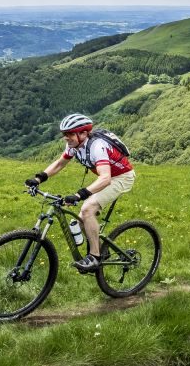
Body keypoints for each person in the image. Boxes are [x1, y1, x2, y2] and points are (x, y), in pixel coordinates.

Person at [25, 113, 135, 272]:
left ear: (83, 133)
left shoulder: (98, 146)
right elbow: (60, 163)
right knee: (83, 216)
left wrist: (79, 195)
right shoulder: (74, 145)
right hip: (107, 177)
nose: (66, 138)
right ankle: (101, 250)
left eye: (69, 134)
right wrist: (39, 178)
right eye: (64, 134)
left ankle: (95, 257)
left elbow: (105, 178)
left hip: (121, 178)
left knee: (87, 208)